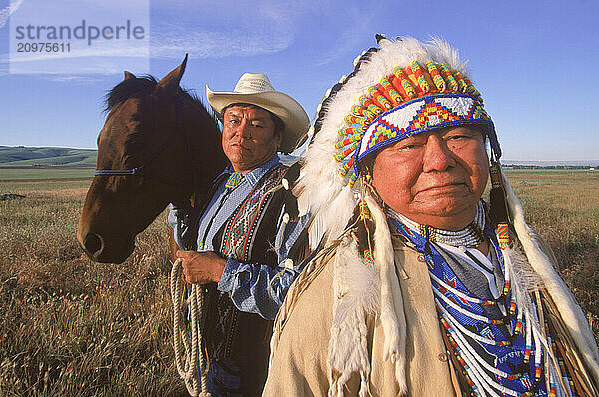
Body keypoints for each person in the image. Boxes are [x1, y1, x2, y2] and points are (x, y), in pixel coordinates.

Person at [263, 36, 599, 396]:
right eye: (409, 144)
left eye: (458, 136)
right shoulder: (341, 291)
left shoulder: (526, 253)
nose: (440, 160)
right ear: (368, 173)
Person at [168, 72, 310, 395]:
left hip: (254, 371)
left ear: (277, 139)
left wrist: (220, 271)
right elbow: (197, 248)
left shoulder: (293, 192)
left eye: (256, 125)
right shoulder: (220, 184)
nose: (240, 132)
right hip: (207, 356)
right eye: (234, 120)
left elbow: (297, 293)